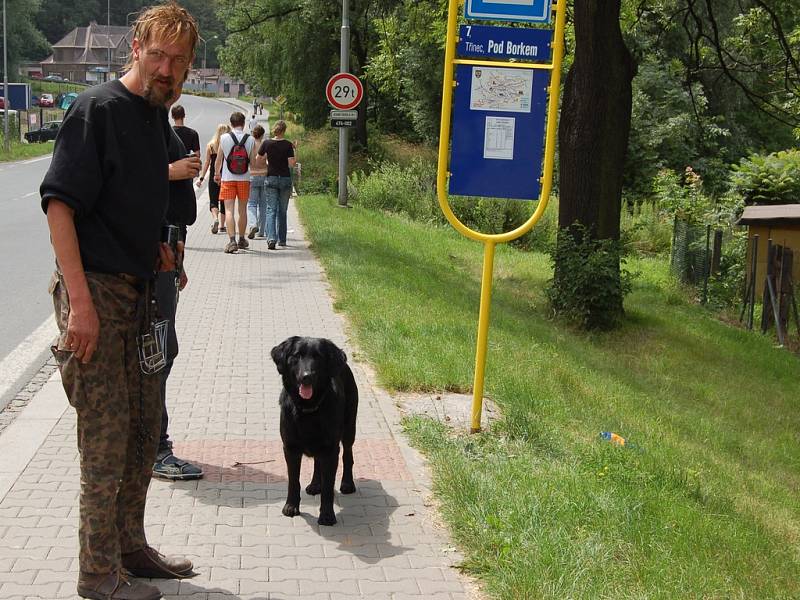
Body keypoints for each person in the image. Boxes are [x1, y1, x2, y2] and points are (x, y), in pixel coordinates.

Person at [40, 4, 198, 599]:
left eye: (178, 60)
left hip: (139, 294)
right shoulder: (97, 110)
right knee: (105, 437)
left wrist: (157, 245)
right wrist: (79, 304)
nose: (167, 68)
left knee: (141, 429)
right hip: (96, 295)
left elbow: (136, 192)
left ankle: (130, 546)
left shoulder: (154, 115)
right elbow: (61, 205)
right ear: (134, 47)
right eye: (158, 55)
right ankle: (97, 574)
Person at [152, 82, 204, 482]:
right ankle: (154, 448)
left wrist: (179, 256)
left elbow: (174, 208)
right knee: (156, 353)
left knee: (163, 351)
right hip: (147, 262)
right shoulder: (129, 120)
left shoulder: (157, 123)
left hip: (167, 254)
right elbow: (118, 181)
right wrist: (170, 171)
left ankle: (153, 443)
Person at [214, 111, 255, 253]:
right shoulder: (250, 139)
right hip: (244, 179)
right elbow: (253, 162)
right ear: (243, 124)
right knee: (242, 210)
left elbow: (218, 160)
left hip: (228, 179)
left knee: (229, 210)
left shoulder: (224, 138)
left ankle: (232, 241)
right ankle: (242, 239)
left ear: (231, 124)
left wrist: (216, 174)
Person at [256, 119, 296, 249]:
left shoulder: (267, 143)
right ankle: (282, 240)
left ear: (274, 130)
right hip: (284, 179)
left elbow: (258, 159)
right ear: (284, 131)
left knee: (271, 209)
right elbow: (291, 164)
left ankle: (271, 238)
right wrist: (295, 151)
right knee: (282, 211)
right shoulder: (288, 145)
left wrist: (267, 163)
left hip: (271, 178)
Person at [196, 123, 229, 234]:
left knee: (213, 200)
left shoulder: (211, 145)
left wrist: (201, 178)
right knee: (224, 201)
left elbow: (207, 163)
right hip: (225, 176)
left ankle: (215, 219)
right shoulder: (228, 145)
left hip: (213, 177)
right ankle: (222, 226)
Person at [246, 125, 267, 239]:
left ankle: (253, 224)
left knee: (252, 203)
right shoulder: (264, 145)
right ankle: (262, 231)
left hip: (252, 175)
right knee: (263, 205)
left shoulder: (250, 145)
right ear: (262, 134)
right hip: (264, 175)